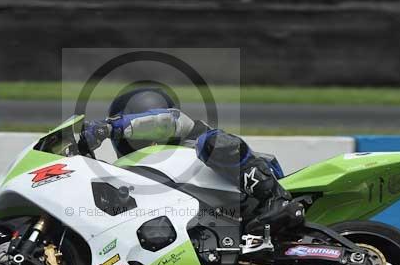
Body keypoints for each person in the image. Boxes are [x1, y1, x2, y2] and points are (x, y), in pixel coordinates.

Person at [81, 88, 305, 235]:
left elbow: (167, 121)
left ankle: (276, 198)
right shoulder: (141, 173)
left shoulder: (187, 131)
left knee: (211, 142)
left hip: (249, 198)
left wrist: (112, 127)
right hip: (217, 224)